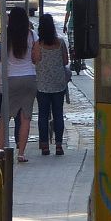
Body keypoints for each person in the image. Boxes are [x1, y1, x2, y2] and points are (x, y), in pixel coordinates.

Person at [0, 6, 40, 162]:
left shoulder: (6, 36)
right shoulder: (33, 35)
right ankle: (21, 153)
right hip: (29, 78)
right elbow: (36, 59)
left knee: (4, 117)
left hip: (11, 79)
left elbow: (2, 59)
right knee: (26, 117)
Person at [35, 14, 69, 156]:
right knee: (58, 114)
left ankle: (44, 145)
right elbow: (66, 61)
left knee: (42, 115)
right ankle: (59, 145)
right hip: (58, 84)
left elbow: (34, 60)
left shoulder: (38, 44)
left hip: (42, 84)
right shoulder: (60, 42)